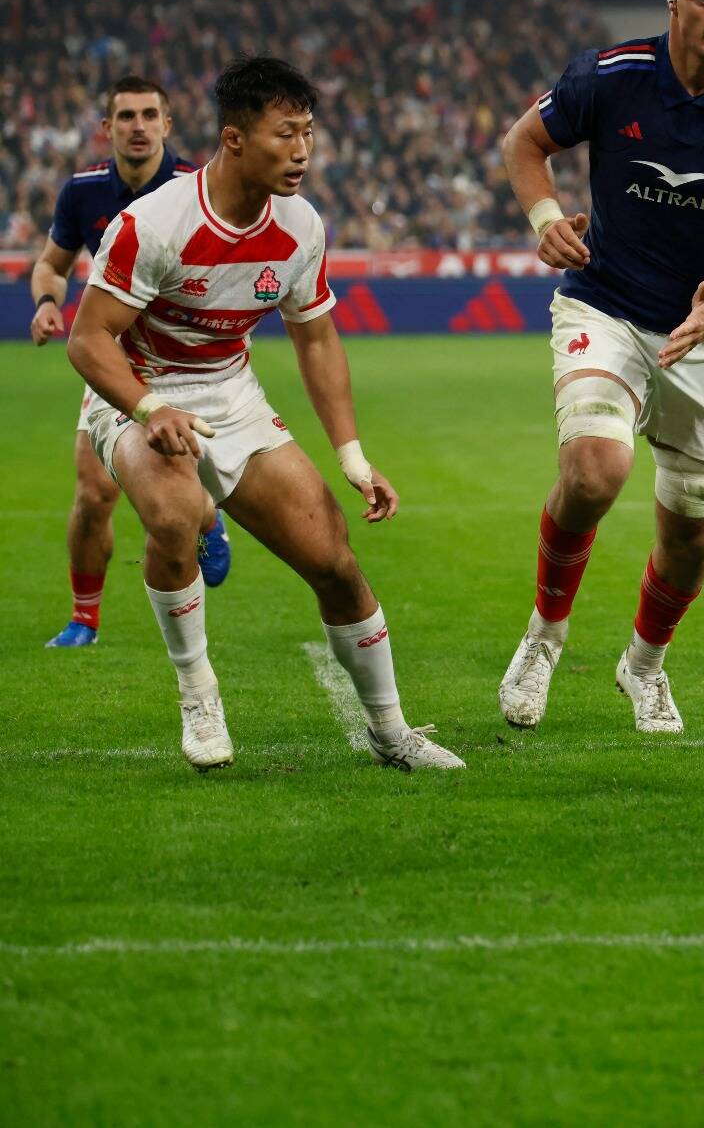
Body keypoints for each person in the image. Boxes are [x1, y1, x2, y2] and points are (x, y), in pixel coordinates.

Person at [65, 56, 460, 772]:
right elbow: (89, 339)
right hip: (136, 392)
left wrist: (352, 456)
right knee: (176, 512)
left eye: (308, 133)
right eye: (286, 134)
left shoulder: (301, 225)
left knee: (334, 560)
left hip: (232, 397)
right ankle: (199, 694)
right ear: (235, 139)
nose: (302, 150)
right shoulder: (152, 224)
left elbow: (315, 336)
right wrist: (149, 407)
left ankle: (392, 731)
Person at [496, 0, 704, 735]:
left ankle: (644, 666)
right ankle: (545, 635)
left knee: (694, 533)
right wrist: (543, 216)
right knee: (595, 471)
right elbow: (524, 143)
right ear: (674, 3)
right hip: (604, 302)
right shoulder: (610, 75)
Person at [31, 76, 229, 647]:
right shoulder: (83, 192)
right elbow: (52, 264)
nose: (138, 126)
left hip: (188, 358)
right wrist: (48, 302)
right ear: (108, 128)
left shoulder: (202, 187)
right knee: (95, 493)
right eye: (126, 117)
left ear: (167, 125)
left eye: (149, 115)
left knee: (182, 496)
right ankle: (83, 618)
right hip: (116, 354)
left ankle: (209, 520)